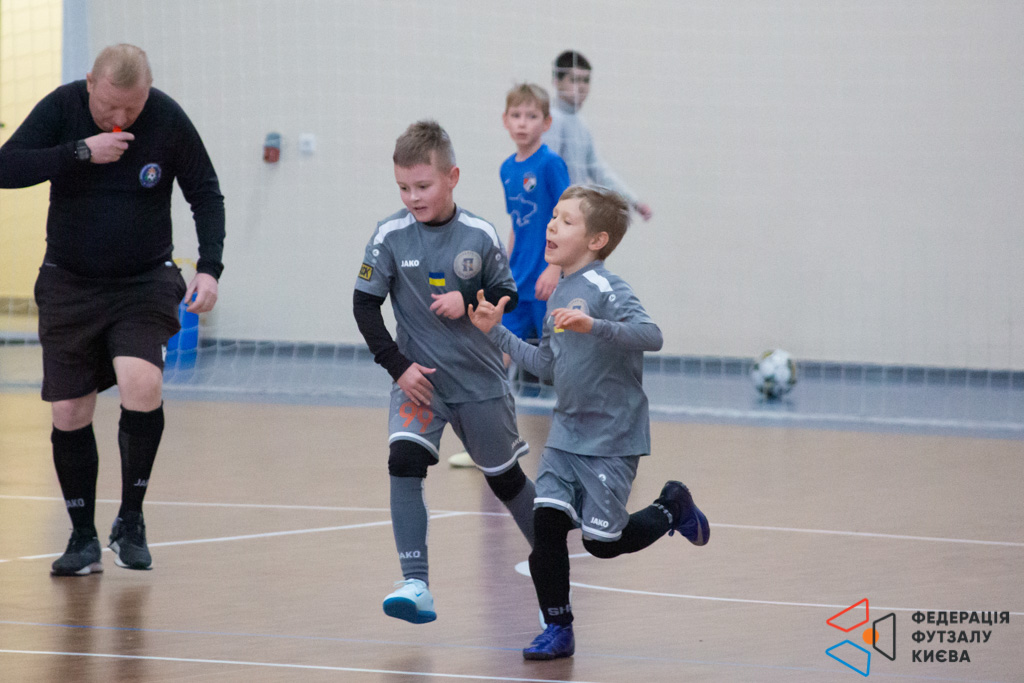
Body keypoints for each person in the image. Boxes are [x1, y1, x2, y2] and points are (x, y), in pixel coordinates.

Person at [0, 44, 225, 576]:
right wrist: (80, 151)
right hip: (69, 282)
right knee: (68, 411)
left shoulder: (167, 118)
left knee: (141, 382)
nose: (120, 118)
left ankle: (131, 519)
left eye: (132, 107)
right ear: (89, 85)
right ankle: (82, 537)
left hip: (144, 282)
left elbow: (205, 192)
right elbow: (6, 168)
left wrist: (210, 267)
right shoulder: (62, 108)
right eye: (108, 107)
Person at [467, 185, 709, 660]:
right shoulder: (557, 292)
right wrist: (495, 332)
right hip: (565, 434)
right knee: (547, 525)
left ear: (597, 240)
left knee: (603, 544)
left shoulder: (604, 287)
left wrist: (594, 326)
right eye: (553, 216)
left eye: (566, 220)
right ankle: (558, 629)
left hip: (612, 438)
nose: (552, 225)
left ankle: (672, 506)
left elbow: (651, 335)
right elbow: (547, 366)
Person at [352, 120, 537, 624]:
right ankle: (416, 584)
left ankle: (551, 559)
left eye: (423, 186)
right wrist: (399, 368)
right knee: (403, 462)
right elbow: (364, 306)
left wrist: (470, 298)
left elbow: (508, 292)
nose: (413, 197)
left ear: (452, 177)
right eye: (403, 188)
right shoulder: (389, 236)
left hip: (479, 384)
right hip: (419, 383)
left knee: (506, 482)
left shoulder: (479, 234)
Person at [448, 83, 570, 469]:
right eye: (516, 115)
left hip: (548, 283)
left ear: (546, 123)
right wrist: (503, 270)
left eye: (531, 116)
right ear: (505, 120)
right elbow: (518, 225)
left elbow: (569, 218)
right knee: (495, 359)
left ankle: (583, 445)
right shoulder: (506, 169)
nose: (522, 123)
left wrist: (555, 267)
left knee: (564, 363)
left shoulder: (550, 165)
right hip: (517, 283)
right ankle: (490, 444)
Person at [542, 50, 654, 221]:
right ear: (556, 82)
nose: (581, 86)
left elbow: (598, 170)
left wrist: (633, 201)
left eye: (586, 80)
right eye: (574, 80)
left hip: (571, 214)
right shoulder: (553, 119)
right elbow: (546, 173)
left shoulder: (580, 122)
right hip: (554, 217)